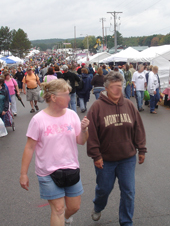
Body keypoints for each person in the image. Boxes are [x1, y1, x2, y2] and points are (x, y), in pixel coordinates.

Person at [20, 79, 90, 226]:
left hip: (71, 168)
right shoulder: (38, 120)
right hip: (47, 172)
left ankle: (65, 218)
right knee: (58, 209)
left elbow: (81, 141)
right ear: (53, 97)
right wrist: (23, 174)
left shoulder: (71, 115)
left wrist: (84, 130)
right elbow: (29, 147)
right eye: (66, 94)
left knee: (74, 207)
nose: (69, 98)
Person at [87, 71, 147, 226]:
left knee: (129, 192)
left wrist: (142, 149)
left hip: (127, 158)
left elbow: (138, 128)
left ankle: (126, 222)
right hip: (105, 160)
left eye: (120, 86)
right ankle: (98, 206)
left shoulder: (129, 105)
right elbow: (92, 133)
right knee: (104, 190)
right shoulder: (97, 107)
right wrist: (96, 156)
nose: (118, 90)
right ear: (106, 88)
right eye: (114, 87)